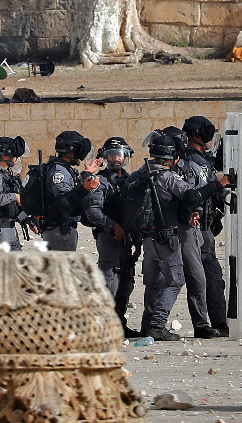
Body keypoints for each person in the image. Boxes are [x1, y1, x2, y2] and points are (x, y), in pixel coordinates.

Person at [130, 131, 230, 341]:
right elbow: (192, 195)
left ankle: (148, 325)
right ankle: (157, 325)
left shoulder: (141, 173)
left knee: (155, 282)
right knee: (177, 279)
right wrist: (219, 184)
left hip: (148, 237)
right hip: (168, 236)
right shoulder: (168, 176)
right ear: (173, 157)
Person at [85, 136, 141, 337]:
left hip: (129, 237)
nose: (116, 159)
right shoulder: (100, 182)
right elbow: (94, 213)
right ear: (105, 157)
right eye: (112, 155)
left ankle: (118, 323)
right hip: (108, 236)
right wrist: (113, 226)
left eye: (119, 155)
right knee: (109, 278)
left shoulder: (131, 180)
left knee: (127, 280)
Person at [181, 116, 231, 336]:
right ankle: (208, 325)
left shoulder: (201, 160)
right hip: (198, 228)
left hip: (206, 226)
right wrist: (221, 185)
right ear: (199, 135)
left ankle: (218, 323)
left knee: (211, 277)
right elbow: (199, 193)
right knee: (204, 278)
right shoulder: (195, 162)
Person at [41, 131, 102, 251]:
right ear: (70, 152)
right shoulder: (60, 171)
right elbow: (62, 201)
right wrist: (84, 190)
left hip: (60, 230)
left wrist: (87, 173)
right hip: (60, 231)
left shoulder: (64, 169)